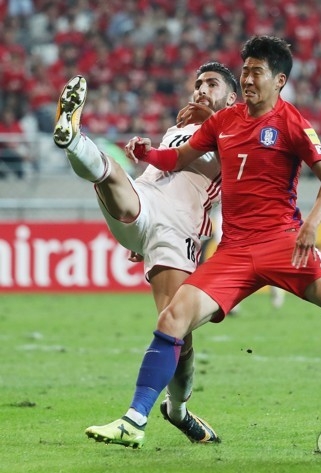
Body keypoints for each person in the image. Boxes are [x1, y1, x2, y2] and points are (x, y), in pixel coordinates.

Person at [87, 36, 321, 449]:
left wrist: (312, 224)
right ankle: (134, 420)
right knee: (171, 321)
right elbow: (177, 160)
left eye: (256, 72)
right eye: (245, 71)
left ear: (279, 80)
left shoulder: (291, 122)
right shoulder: (224, 121)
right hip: (235, 253)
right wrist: (148, 153)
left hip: (286, 245)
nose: (248, 79)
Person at [52, 61, 238, 447]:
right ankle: (73, 139)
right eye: (199, 84)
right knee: (112, 174)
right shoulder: (180, 127)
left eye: (213, 84)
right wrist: (147, 150)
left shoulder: (238, 128)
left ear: (233, 98)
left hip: (179, 232)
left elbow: (232, 168)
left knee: (177, 332)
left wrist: (208, 117)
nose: (201, 89)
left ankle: (178, 410)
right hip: (144, 204)